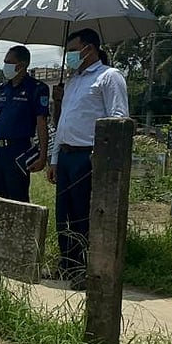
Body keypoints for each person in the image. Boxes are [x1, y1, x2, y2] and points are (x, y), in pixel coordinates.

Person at [47, 28, 129, 290]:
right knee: (64, 214)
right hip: (67, 154)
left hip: (88, 156)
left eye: (72, 51)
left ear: (89, 49)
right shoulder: (73, 80)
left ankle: (85, 268)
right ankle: (66, 263)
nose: (69, 57)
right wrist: (54, 158)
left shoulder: (109, 77)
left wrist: (101, 156)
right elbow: (63, 125)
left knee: (84, 215)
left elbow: (118, 118)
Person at [0, 46, 50, 203]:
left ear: (22, 65)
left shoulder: (37, 89)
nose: (6, 66)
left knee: (17, 199)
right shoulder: (2, 89)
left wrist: (43, 155)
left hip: (19, 150)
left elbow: (41, 124)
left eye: (9, 62)